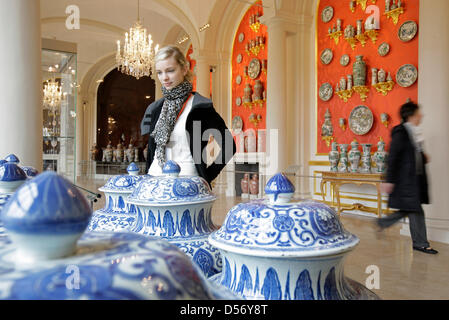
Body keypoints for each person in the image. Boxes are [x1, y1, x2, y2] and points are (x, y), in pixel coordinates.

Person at [140, 45, 236, 186]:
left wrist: (206, 177)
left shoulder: (200, 106)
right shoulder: (156, 109)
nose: (164, 77)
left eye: (170, 71)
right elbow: (151, 151)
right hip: (154, 180)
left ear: (184, 69)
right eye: (159, 72)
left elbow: (229, 146)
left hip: (188, 182)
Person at [377, 101, 438, 254]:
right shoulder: (400, 132)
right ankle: (421, 243)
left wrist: (423, 157)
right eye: (418, 113)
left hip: (415, 179)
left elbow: (413, 154)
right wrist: (389, 180)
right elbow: (393, 157)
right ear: (410, 115)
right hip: (406, 180)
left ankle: (384, 223)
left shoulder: (414, 132)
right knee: (415, 208)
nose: (421, 115)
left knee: (412, 208)